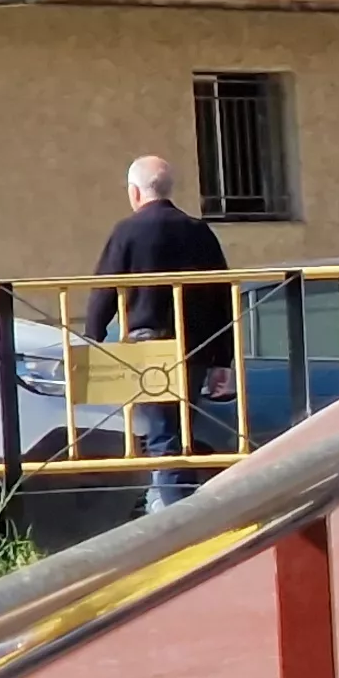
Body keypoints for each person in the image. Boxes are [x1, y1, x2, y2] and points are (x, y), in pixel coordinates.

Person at [81, 157, 234, 512]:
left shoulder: (127, 231)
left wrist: (93, 338)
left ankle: (176, 518)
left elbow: (104, 288)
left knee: (164, 436)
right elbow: (222, 295)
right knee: (176, 432)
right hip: (195, 348)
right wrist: (222, 359)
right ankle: (163, 504)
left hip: (147, 347)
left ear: (134, 192)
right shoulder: (199, 231)